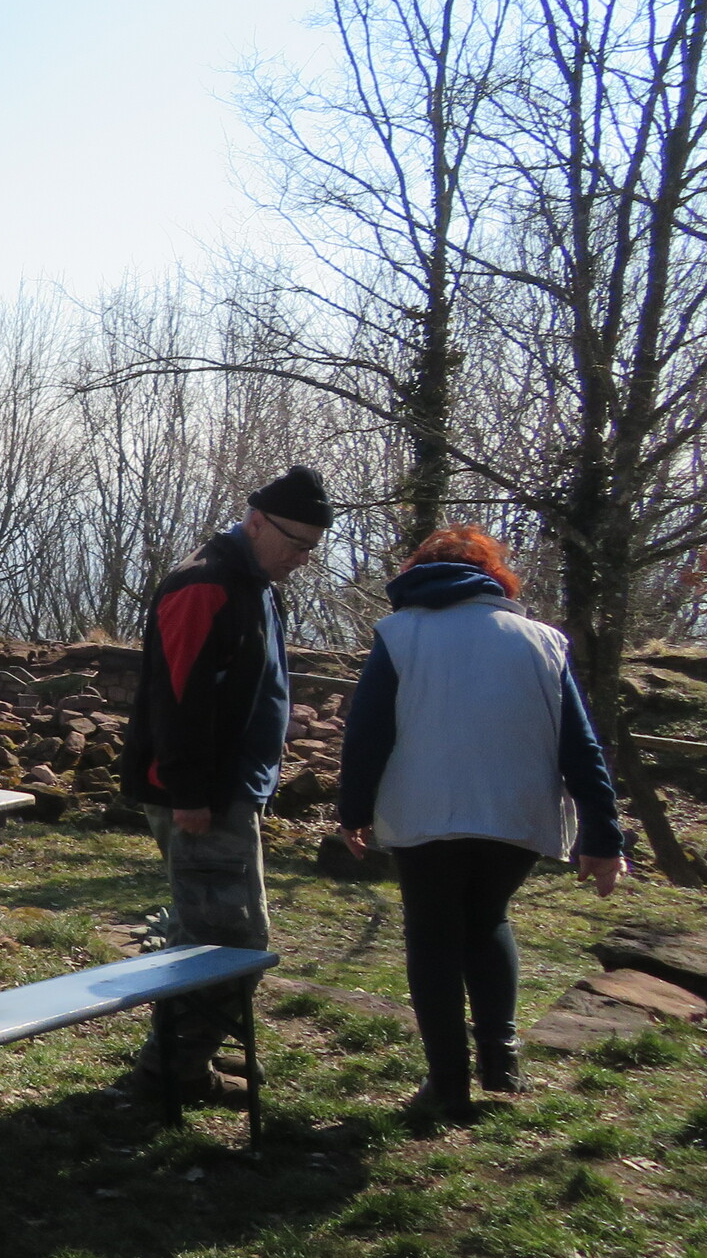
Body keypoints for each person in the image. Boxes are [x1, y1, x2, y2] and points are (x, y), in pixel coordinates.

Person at [335, 525, 627, 1116]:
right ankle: (501, 1060)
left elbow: (368, 731)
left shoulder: (400, 634)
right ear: (495, 578)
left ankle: (447, 1082)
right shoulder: (543, 641)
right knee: (488, 917)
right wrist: (602, 835)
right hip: (515, 812)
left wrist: (354, 811)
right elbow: (580, 746)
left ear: (417, 575)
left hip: (425, 811)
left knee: (433, 934)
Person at [119, 465, 333, 1102]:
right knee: (227, 938)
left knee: (217, 932)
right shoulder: (205, 585)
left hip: (230, 789)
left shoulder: (253, 582)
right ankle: (174, 1072)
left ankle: (186, 1055)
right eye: (296, 543)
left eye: (311, 549)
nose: (302, 559)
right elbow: (179, 696)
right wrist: (190, 793)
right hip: (203, 797)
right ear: (257, 522)